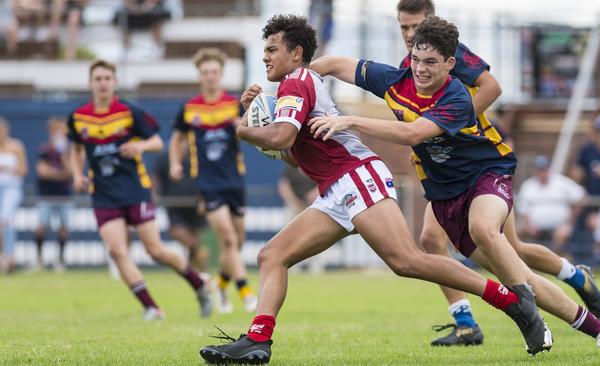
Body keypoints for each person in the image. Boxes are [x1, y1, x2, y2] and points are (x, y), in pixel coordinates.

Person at [200, 14, 551, 365]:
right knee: (271, 255)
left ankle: (511, 301)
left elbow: (281, 136)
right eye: (265, 50)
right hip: (336, 188)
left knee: (407, 261)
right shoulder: (297, 84)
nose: (265, 57)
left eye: (272, 49)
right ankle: (257, 339)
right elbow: (292, 155)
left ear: (296, 53)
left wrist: (244, 130)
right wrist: (259, 116)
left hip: (356, 177)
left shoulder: (298, 81)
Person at [309, 15, 600, 356]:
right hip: (445, 196)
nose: (420, 69)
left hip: (487, 174)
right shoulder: (393, 78)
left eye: (430, 62)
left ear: (451, 63)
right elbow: (333, 64)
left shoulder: (458, 97)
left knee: (484, 229)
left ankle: (515, 312)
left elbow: (413, 133)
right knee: (523, 277)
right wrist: (297, 80)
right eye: (416, 59)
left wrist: (349, 120)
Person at [385, 0, 600, 347]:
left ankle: (571, 278)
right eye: (404, 28)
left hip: (479, 163)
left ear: (432, 21)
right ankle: (467, 321)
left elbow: (492, 87)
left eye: (417, 25)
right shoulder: (409, 67)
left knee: (508, 248)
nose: (411, 35)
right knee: (435, 239)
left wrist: (449, 124)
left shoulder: (449, 52)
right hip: (448, 174)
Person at [68, 59, 211, 319]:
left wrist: (140, 147)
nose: (102, 83)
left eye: (107, 78)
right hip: (103, 195)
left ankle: (198, 284)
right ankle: (151, 308)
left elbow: (157, 141)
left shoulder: (130, 111)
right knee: (116, 251)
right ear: (90, 83)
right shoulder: (78, 117)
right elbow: (76, 149)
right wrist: (77, 174)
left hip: (135, 190)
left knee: (155, 251)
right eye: (97, 79)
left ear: (115, 82)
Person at [169, 48, 257, 314]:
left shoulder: (233, 104)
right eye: (205, 72)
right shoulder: (189, 108)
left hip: (234, 180)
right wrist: (175, 162)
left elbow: (251, 134)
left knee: (237, 242)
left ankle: (220, 284)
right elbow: (177, 139)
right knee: (228, 240)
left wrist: (241, 128)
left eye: (214, 72)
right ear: (200, 76)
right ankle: (246, 291)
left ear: (221, 74)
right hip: (207, 183)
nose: (210, 77)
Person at [517, 155, 585, 257]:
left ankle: (553, 261)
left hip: (560, 225)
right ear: (535, 171)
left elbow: (582, 196)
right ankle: (521, 260)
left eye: (544, 169)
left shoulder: (561, 182)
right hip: (534, 226)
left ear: (549, 169)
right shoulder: (528, 185)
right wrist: (529, 225)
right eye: (540, 169)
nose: (543, 172)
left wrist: (570, 221)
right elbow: (523, 210)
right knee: (515, 232)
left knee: (562, 233)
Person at [151, 150, 208, 272]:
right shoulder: (164, 156)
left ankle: (199, 273)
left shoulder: (198, 154)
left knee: (194, 236)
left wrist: (205, 197)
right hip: (174, 203)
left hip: (195, 203)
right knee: (177, 232)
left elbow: (207, 176)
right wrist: (153, 195)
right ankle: (198, 252)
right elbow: (156, 177)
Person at [33, 116, 74, 272]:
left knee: (63, 228)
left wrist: (62, 158)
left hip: (64, 195)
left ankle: (60, 261)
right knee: (41, 227)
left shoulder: (69, 151)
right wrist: (60, 173)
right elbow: (42, 172)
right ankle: (39, 260)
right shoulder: (44, 150)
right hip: (46, 195)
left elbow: (71, 173)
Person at [0, 117, 27, 274]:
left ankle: (8, 256)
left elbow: (23, 170)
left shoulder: (16, 146)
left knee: (6, 220)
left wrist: (7, 169)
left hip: (11, 188)